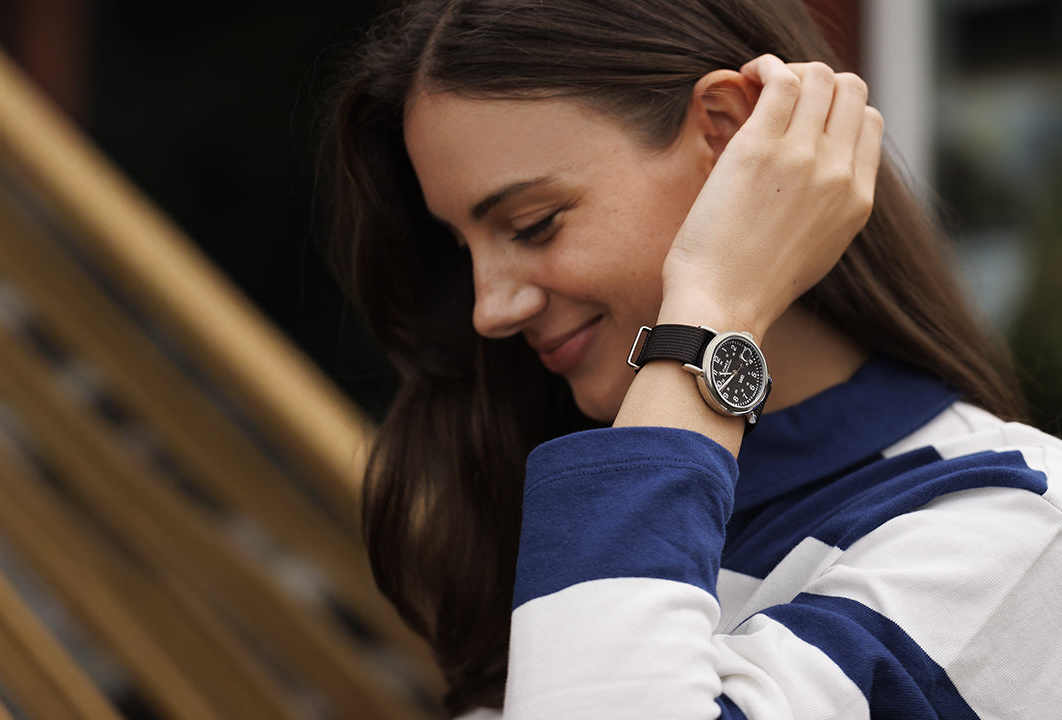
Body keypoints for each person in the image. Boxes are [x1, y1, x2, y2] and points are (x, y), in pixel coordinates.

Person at [318, 1, 1062, 717]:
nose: (490, 308)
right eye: (464, 250)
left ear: (728, 133)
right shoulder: (548, 501)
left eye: (533, 224)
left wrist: (710, 312)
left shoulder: (1008, 522)